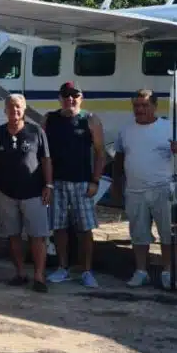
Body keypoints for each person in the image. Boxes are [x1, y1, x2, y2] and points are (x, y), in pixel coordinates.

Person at [112, 89, 177, 290]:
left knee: (167, 233)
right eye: (136, 105)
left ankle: (167, 272)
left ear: (154, 106)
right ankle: (141, 271)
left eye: (145, 105)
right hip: (134, 190)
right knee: (138, 234)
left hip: (163, 189)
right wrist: (116, 183)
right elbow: (119, 158)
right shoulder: (126, 130)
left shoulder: (168, 127)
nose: (140, 109)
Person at [0, 94, 53, 292]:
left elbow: (46, 159)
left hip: (34, 192)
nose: (14, 110)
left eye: (18, 106)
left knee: (37, 236)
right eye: (10, 107)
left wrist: (48, 185)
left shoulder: (36, 131)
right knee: (13, 235)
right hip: (6, 193)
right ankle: (20, 273)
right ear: (4, 110)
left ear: (24, 109)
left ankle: (39, 277)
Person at [45, 82, 105, 288]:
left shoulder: (90, 119)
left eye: (74, 95)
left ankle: (87, 271)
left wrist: (95, 181)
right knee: (59, 227)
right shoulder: (49, 119)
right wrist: (47, 183)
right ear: (59, 98)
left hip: (82, 183)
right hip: (57, 182)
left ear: (81, 98)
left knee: (85, 229)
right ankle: (63, 268)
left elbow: (100, 153)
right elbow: (44, 153)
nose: (70, 99)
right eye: (65, 95)